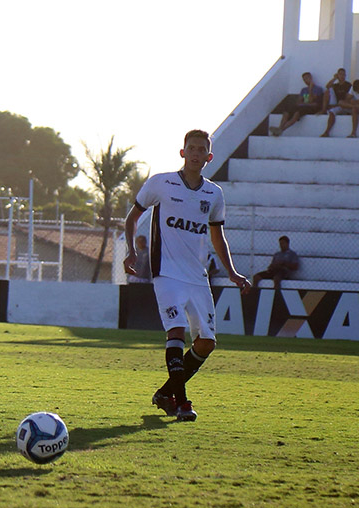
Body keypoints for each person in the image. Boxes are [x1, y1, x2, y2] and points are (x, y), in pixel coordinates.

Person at [123, 129, 251, 422]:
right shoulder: (161, 183)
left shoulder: (214, 194)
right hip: (166, 273)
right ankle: (182, 402)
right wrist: (131, 251)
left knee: (206, 343)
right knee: (176, 331)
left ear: (209, 156)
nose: (195, 153)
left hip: (197, 276)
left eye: (200, 149)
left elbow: (218, 236)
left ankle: (166, 393)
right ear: (182, 153)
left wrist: (231, 272)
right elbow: (133, 218)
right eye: (190, 148)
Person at [269, 72, 324, 136]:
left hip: (311, 108)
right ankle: (280, 128)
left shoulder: (318, 89)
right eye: (304, 79)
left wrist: (310, 89)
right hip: (303, 106)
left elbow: (311, 100)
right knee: (287, 111)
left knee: (297, 113)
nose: (306, 81)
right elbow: (298, 102)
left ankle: (281, 129)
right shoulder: (303, 90)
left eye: (307, 78)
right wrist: (306, 103)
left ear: (311, 78)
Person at [318, 69, 358, 137]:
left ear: (345, 75)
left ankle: (353, 133)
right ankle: (327, 132)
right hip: (343, 104)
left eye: (343, 74)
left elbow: (350, 99)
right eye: (340, 74)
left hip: (350, 106)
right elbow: (327, 86)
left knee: (350, 107)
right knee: (328, 93)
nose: (342, 76)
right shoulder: (336, 85)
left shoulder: (348, 85)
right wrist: (334, 78)